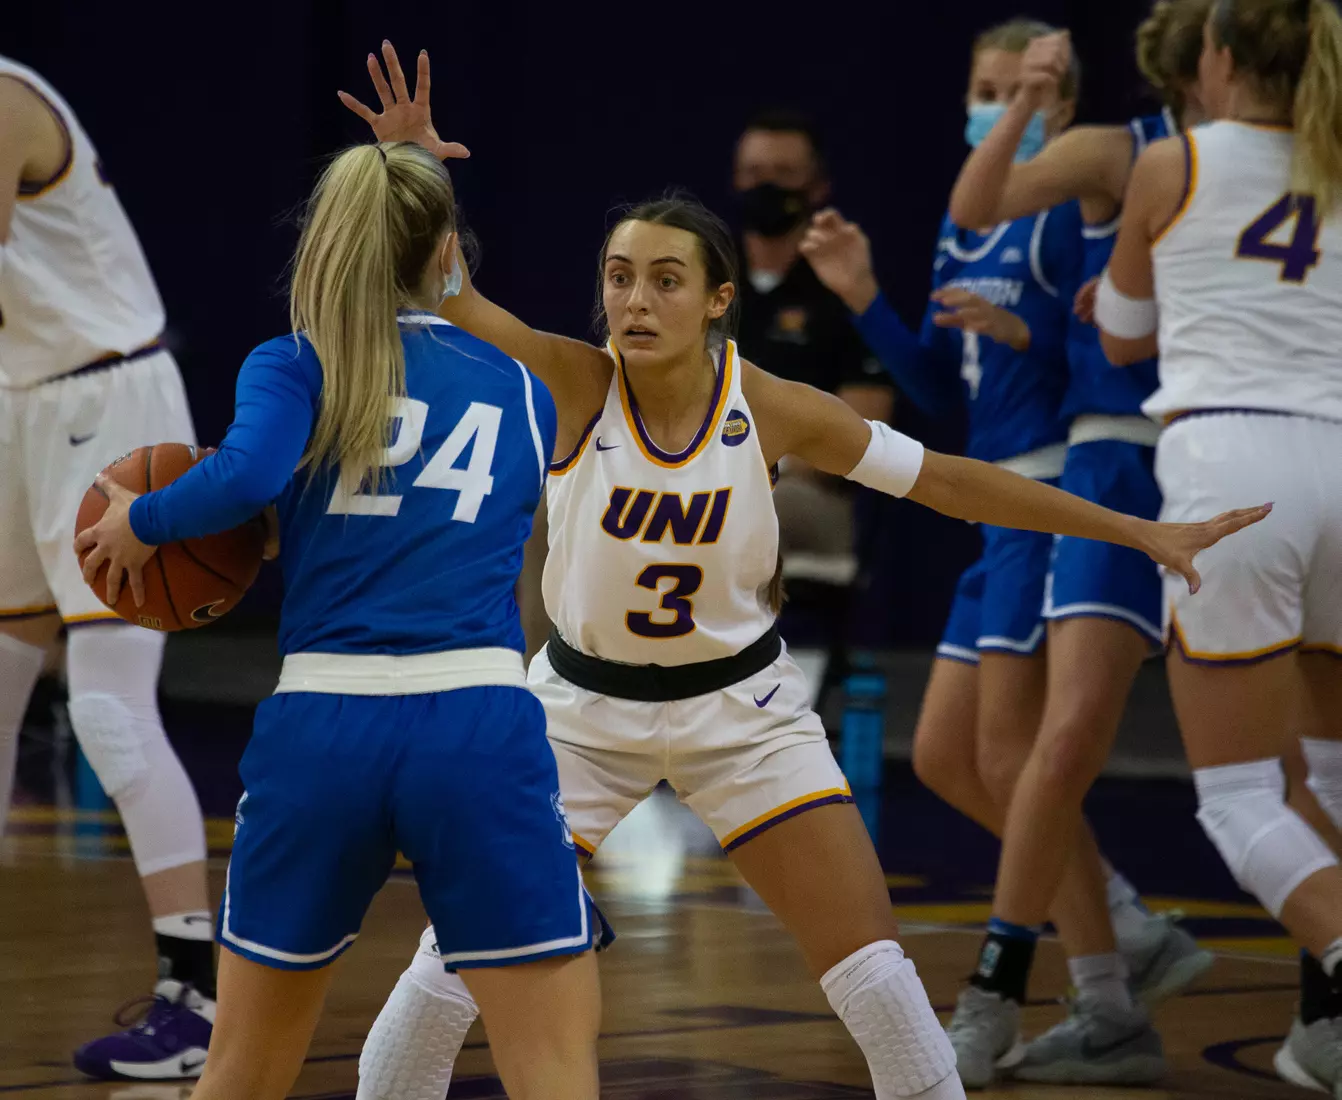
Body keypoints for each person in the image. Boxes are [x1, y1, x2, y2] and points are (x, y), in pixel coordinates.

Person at [340, 43, 1267, 1100]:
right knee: (446, 974)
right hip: (577, 718)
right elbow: (449, 288)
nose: (634, 300)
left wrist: (1135, 531)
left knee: (880, 985)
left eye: (665, 280)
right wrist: (416, 169)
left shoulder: (771, 405)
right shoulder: (577, 382)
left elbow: (949, 482)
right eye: (619, 277)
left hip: (745, 714)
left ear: (717, 300)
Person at [74, 137, 605, 1100]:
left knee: (242, 1070)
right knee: (554, 1068)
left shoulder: (293, 362)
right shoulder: (523, 388)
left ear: (329, 245)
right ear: (448, 252)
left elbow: (247, 479)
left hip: (323, 726)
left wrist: (141, 523)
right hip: (476, 722)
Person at [800, 18, 1200, 1086]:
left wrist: (1036, 337)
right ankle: (1121, 926)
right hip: (989, 498)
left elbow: (1109, 352)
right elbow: (937, 388)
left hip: (1053, 489)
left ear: (1057, 100)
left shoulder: (1076, 204)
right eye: (979, 87)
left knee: (1015, 754)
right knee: (946, 755)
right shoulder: (963, 222)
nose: (991, 103)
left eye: (1010, 87)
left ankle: (1098, 979)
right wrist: (863, 297)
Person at [937, 3, 1221, 1082]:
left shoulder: (1285, 165)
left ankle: (1085, 979)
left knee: (1266, 767)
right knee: (997, 752)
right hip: (1087, 464)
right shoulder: (1126, 152)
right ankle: (1104, 973)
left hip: (1152, 455)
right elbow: (980, 209)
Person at [1096, 0, 1342, 1091]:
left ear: (1222, 54)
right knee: (1333, 773)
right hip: (1340, 452)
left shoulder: (1174, 161)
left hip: (1232, 469)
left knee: (1239, 795)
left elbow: (1120, 333)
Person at [0, 56, 218, 1078]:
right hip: (18, 402)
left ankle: (196, 996)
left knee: (106, 709)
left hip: (107, 395)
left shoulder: (3, 96)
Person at [732, 110, 894, 579]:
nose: (767, 186)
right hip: (690, 472)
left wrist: (751, 466)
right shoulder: (705, 278)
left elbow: (863, 433)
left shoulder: (843, 288)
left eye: (784, 174)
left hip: (807, 494)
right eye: (754, 173)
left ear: (818, 187)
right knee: (559, 510)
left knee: (730, 510)